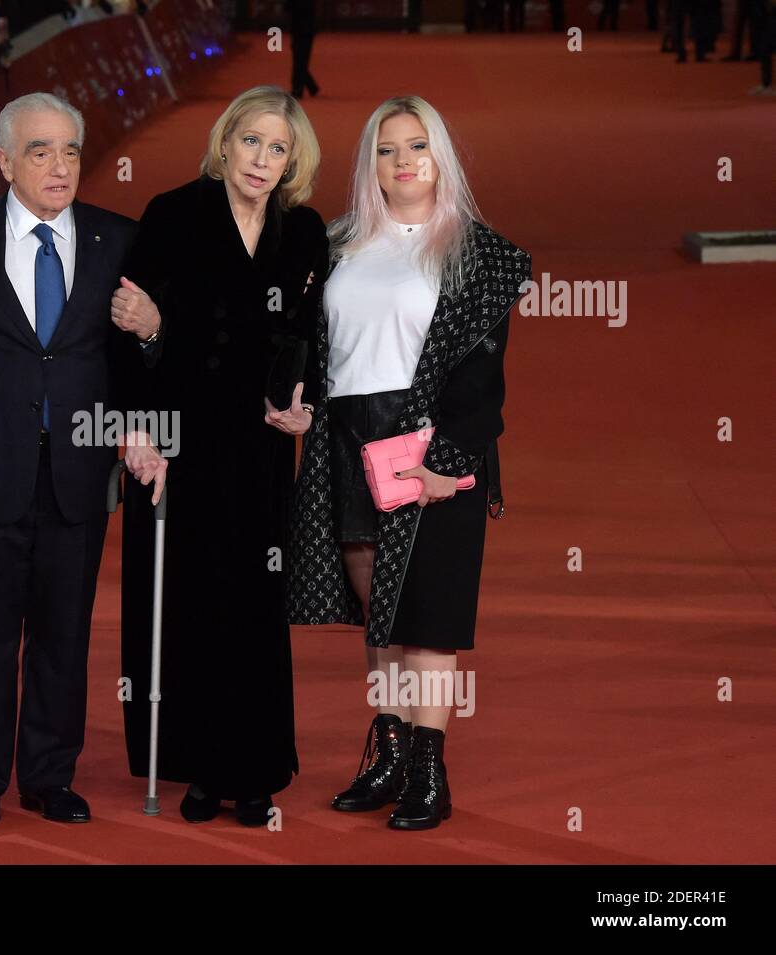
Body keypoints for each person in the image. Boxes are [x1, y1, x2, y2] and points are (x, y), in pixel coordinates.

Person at [287, 95, 532, 831]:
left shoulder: (480, 254)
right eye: (387, 149)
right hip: (347, 442)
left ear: (441, 158)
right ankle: (387, 750)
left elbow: (483, 374)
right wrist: (292, 399)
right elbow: (306, 344)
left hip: (433, 447)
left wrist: (447, 462)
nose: (403, 162)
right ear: (371, 162)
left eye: (418, 146)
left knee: (430, 617)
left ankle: (430, 767)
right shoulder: (335, 245)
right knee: (380, 620)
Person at [0, 91, 165, 829]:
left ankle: (48, 775)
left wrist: (155, 338)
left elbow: (139, 360)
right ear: (4, 160)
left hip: (78, 474)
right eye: (40, 150)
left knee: (64, 634)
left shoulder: (118, 239)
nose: (60, 165)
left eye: (70, 149)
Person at [118, 85, 326, 826]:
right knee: (192, 600)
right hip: (181, 442)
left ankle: (256, 765)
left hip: (263, 444)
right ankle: (202, 766)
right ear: (225, 140)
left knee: (254, 603)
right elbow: (126, 327)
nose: (262, 160)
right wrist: (135, 430)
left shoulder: (303, 232)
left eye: (279, 149)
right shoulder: (173, 214)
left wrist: (307, 403)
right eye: (251, 142)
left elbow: (311, 338)